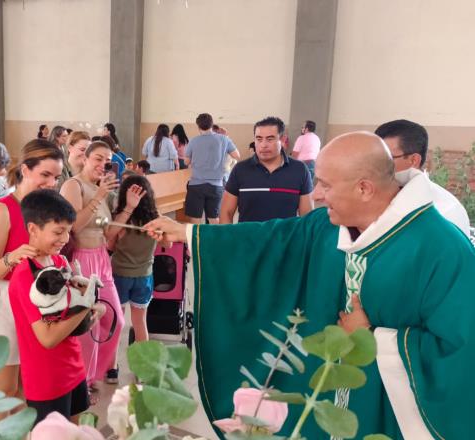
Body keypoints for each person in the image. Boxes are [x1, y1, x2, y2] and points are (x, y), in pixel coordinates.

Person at [145, 131, 475, 439]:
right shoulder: (327, 226)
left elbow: (460, 353)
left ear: (364, 188)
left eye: (326, 185)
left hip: (384, 409)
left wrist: (373, 337)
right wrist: (189, 234)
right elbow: (270, 240)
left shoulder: (442, 249)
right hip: (326, 396)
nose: (316, 194)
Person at [0, 139, 63, 426]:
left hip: (39, 303)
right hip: (4, 302)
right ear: (25, 170)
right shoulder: (3, 210)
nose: (52, 183)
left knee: (31, 391)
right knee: (4, 391)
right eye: (45, 175)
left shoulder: (49, 208)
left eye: (56, 176)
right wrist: (11, 258)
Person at [9, 189, 106, 425]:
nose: (64, 239)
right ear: (33, 229)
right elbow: (48, 338)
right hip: (46, 380)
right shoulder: (24, 275)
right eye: (58, 232)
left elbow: (70, 318)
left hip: (73, 367)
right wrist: (85, 305)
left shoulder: (60, 261)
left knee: (74, 431)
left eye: (68, 231)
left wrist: (94, 310)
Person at [59, 141, 126, 389]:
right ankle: (83, 379)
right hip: (81, 258)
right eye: (97, 158)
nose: (102, 165)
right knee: (87, 322)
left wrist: (129, 210)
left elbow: (107, 232)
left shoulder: (101, 189)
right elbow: (73, 225)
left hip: (102, 258)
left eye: (106, 160)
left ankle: (93, 372)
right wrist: (99, 195)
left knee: (116, 319)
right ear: (85, 159)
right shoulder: (72, 185)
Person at [375, 119, 470, 235]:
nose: (374, 166)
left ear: (413, 160)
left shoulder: (444, 211)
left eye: (386, 158)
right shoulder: (368, 200)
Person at [221, 116, 313, 223]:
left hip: (285, 239)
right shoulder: (240, 170)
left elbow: (307, 217)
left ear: (282, 139)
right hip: (248, 238)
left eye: (270, 139)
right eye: (259, 139)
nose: (263, 145)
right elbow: (226, 212)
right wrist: (229, 238)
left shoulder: (299, 170)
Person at [108, 174, 159, 345]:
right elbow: (168, 242)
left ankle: (112, 365)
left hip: (120, 274)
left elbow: (110, 243)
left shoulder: (121, 218)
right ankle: (144, 368)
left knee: (118, 321)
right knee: (140, 322)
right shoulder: (155, 217)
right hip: (144, 275)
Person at [184, 113, 240, 224]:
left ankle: (196, 241)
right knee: (214, 218)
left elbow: (186, 161)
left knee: (195, 219)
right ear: (212, 124)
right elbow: (237, 155)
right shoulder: (224, 139)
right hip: (216, 185)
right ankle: (215, 241)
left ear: (198, 126)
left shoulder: (193, 141)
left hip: (196, 185)